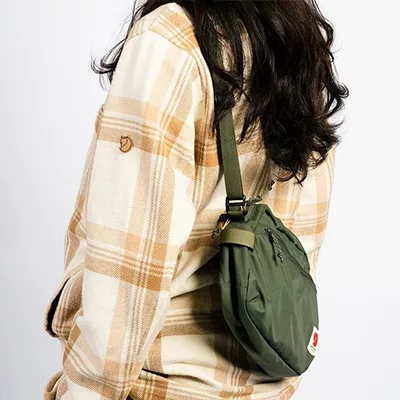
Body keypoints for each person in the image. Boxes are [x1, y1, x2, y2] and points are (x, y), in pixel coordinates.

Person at [43, 1, 348, 399]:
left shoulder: (170, 40)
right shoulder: (296, 37)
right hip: (264, 388)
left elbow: (128, 276)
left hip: (160, 386)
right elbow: (297, 251)